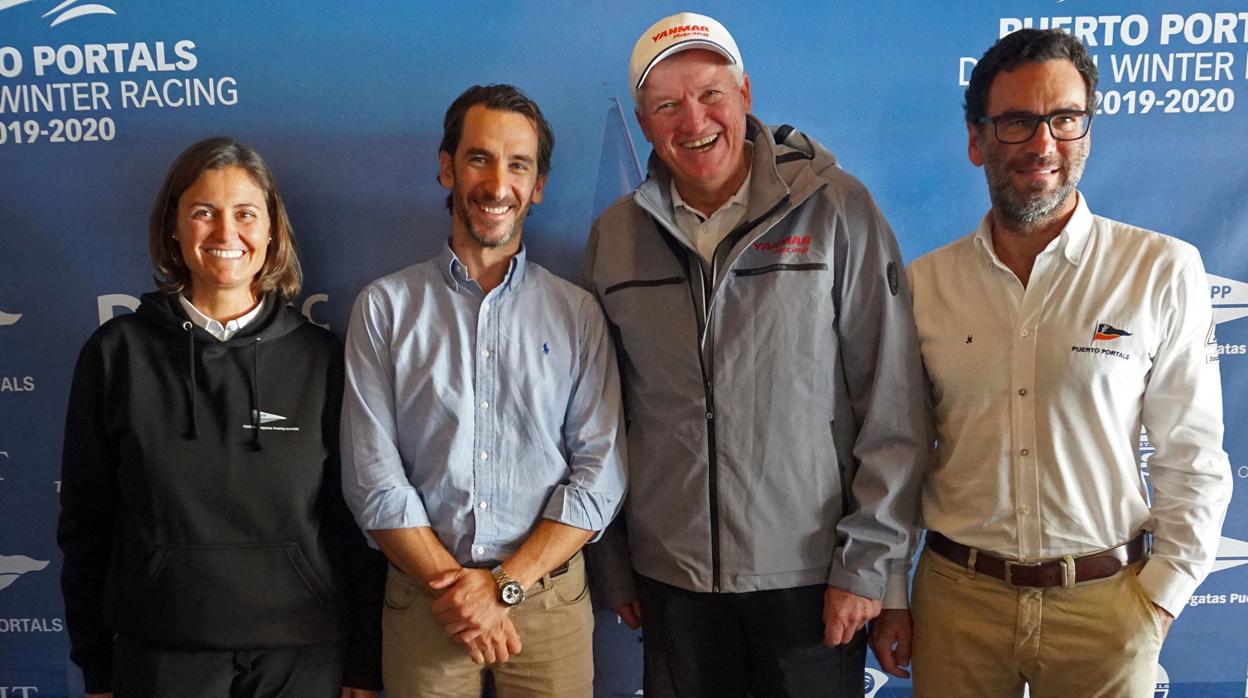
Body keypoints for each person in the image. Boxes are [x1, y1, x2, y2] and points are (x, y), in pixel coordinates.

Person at [870, 29, 1234, 696]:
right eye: (1016, 122)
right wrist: (892, 587)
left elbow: (1192, 455)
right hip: (957, 606)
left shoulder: (1160, 271)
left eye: (1064, 119)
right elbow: (900, 455)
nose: (1043, 144)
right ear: (977, 140)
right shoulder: (925, 286)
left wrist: (1158, 600)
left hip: (1106, 605)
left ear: (1086, 133)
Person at [581, 12, 932, 697]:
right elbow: (598, 418)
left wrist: (868, 567)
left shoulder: (838, 210)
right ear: (644, 123)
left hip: (809, 582)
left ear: (746, 92)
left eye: (711, 93)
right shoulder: (614, 239)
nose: (693, 119)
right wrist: (616, 566)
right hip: (671, 583)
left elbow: (893, 403)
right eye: (666, 104)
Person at [58, 137, 385, 698]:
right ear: (173, 229)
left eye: (245, 214)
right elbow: (87, 522)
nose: (225, 233)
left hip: (302, 651)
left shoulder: (322, 357)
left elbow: (350, 518)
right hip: (160, 649)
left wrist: (363, 660)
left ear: (272, 232)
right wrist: (94, 662)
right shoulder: (117, 354)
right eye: (203, 212)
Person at [339, 84, 627, 697]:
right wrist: (461, 592)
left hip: (548, 603)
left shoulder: (576, 313)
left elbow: (599, 474)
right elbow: (373, 480)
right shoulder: (384, 309)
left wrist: (501, 588)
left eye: (519, 165)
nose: (498, 185)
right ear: (447, 167)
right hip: (427, 603)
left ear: (539, 184)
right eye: (479, 158)